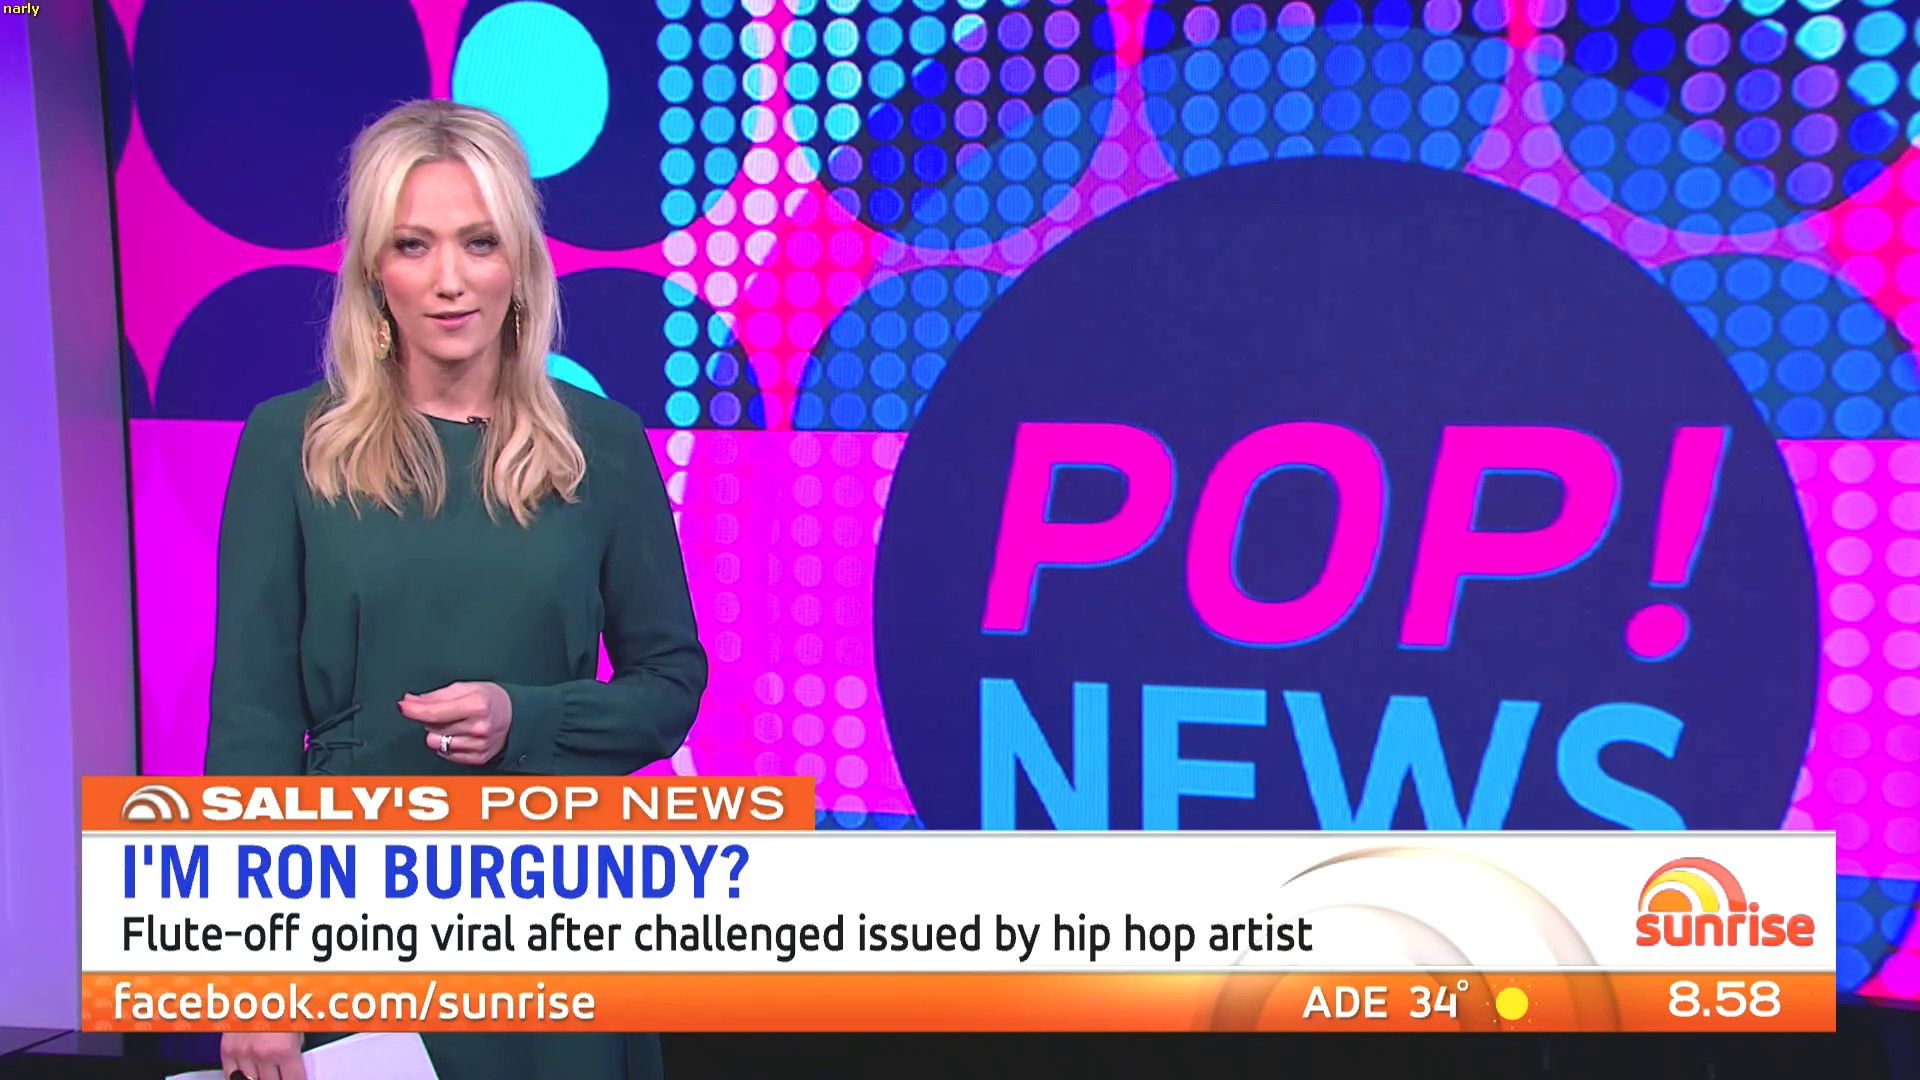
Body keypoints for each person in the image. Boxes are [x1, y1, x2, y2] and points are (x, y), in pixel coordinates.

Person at [204, 99, 708, 1080]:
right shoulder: (288, 445)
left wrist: (528, 718)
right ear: (372, 270)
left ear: (520, 262)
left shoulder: (602, 446)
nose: (448, 280)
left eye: (479, 243)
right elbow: (252, 726)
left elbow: (670, 684)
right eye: (414, 245)